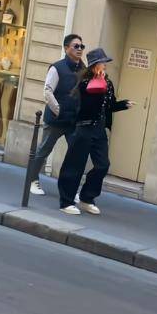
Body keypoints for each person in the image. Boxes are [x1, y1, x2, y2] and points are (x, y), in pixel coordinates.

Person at [57, 48, 132, 215]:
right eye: (103, 62)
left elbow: (109, 106)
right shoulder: (84, 83)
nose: (105, 65)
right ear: (94, 65)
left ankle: (86, 198)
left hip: (99, 129)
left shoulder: (108, 83)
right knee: (75, 165)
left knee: (103, 165)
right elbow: (85, 107)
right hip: (84, 127)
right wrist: (97, 84)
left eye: (105, 62)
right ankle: (66, 201)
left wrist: (123, 105)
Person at [28, 34, 87, 195]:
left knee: (76, 154)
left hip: (73, 121)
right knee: (43, 151)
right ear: (66, 48)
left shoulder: (83, 70)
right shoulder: (57, 68)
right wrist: (59, 111)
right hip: (56, 120)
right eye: (76, 46)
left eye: (82, 46)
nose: (79, 49)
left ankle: (70, 189)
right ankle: (32, 180)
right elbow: (47, 92)